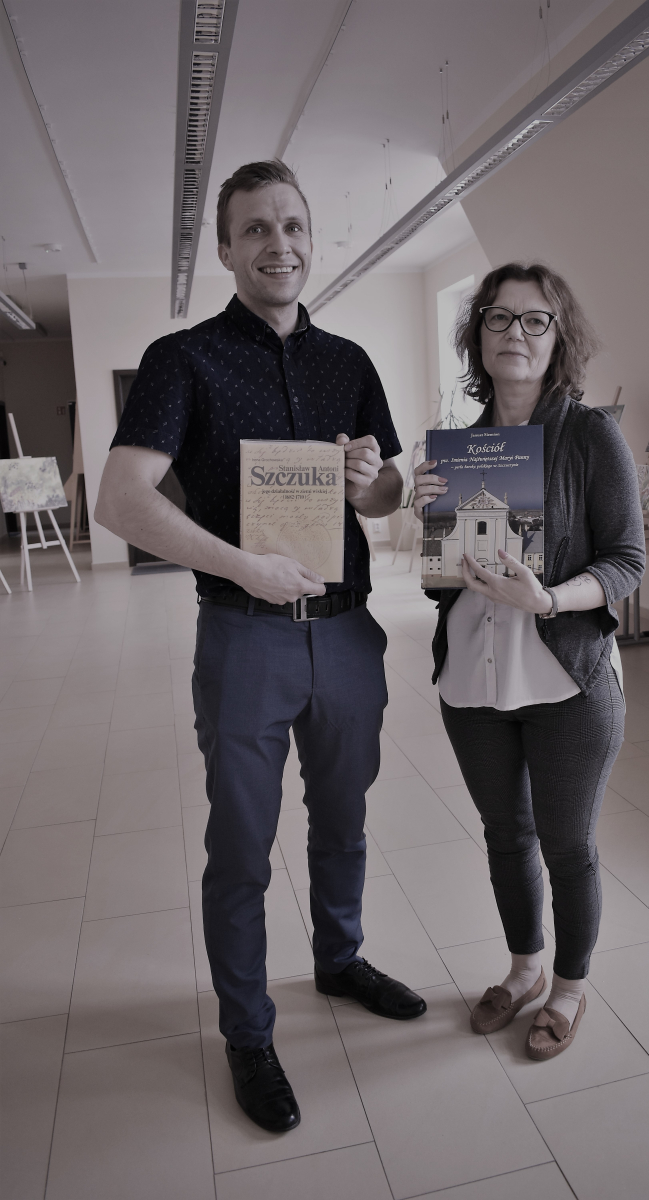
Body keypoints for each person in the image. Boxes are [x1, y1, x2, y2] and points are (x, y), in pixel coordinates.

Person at [95, 160, 426, 1135]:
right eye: (256, 229)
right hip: (245, 638)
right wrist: (243, 565)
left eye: (293, 226)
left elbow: (390, 493)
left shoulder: (349, 362)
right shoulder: (183, 359)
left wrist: (369, 483)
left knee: (343, 819)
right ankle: (247, 1032)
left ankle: (339, 959)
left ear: (310, 238)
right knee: (242, 846)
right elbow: (121, 501)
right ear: (226, 248)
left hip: (349, 634)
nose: (279, 244)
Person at [414, 263, 645, 1059]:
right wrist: (430, 522)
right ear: (477, 334)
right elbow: (440, 584)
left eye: (535, 319)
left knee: (566, 844)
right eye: (499, 317)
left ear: (559, 336)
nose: (516, 333)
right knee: (504, 834)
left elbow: (627, 562)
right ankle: (524, 968)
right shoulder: (461, 444)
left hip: (565, 680)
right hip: (470, 679)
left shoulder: (590, 435)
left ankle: (569, 987)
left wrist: (547, 599)